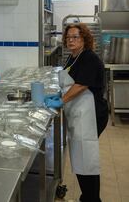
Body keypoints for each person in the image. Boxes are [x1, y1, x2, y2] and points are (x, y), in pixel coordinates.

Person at [45, 23, 108, 202]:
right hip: (79, 113)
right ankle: (87, 196)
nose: (71, 40)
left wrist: (61, 101)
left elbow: (81, 85)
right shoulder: (73, 57)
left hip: (91, 115)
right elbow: (71, 83)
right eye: (68, 37)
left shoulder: (88, 57)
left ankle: (92, 198)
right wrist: (59, 94)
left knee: (86, 158)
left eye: (75, 37)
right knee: (81, 157)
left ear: (84, 39)